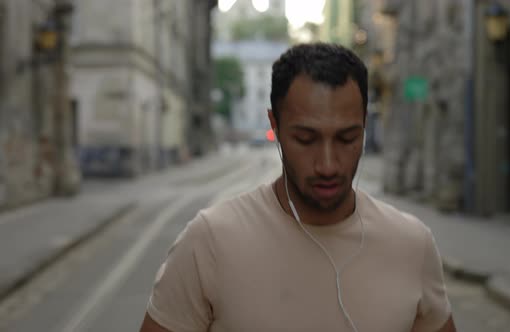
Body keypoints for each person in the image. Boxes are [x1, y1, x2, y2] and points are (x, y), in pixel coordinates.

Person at [139, 43, 456, 332]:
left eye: (347, 138)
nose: (328, 165)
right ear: (274, 125)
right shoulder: (208, 241)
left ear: (365, 126)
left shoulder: (413, 245)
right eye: (306, 139)